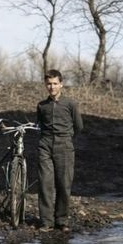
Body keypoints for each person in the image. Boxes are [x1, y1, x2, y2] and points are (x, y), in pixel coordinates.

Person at [36, 69, 83, 233]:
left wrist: (67, 140)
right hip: (45, 145)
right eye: (49, 83)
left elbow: (79, 126)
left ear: (61, 84)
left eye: (55, 83)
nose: (52, 87)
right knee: (45, 183)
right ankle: (46, 222)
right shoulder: (41, 106)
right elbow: (40, 125)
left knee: (63, 184)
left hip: (65, 146)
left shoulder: (70, 104)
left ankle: (61, 220)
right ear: (45, 85)